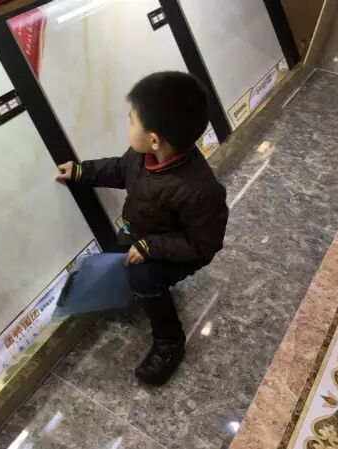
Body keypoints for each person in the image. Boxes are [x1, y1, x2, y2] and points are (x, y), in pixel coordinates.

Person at [56, 72, 229, 385]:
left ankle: (169, 342)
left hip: (181, 250)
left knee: (143, 276)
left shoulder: (200, 190)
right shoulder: (140, 156)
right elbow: (118, 169)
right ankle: (141, 284)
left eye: (132, 120)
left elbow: (204, 245)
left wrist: (152, 248)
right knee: (120, 254)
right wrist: (82, 172)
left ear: (155, 139)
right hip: (143, 231)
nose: (128, 124)